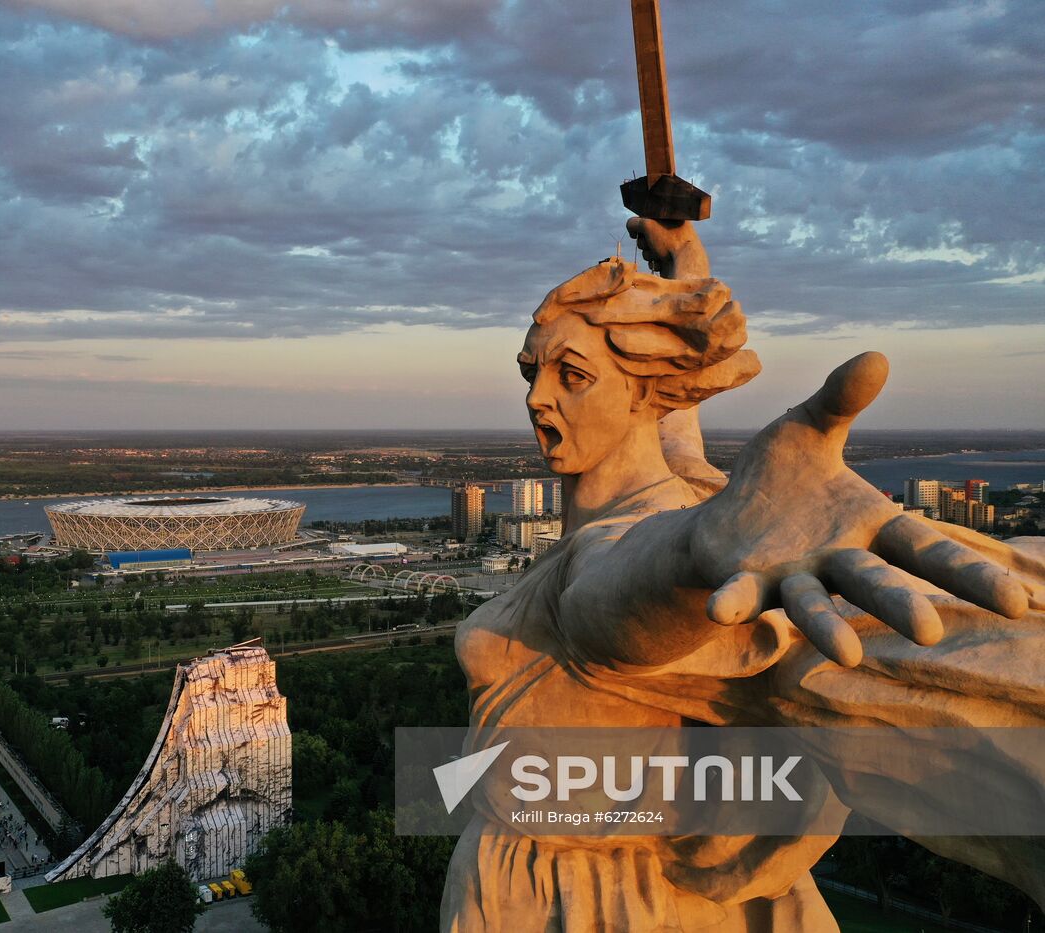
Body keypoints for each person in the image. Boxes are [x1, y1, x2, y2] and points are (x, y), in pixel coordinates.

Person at [441, 220, 1045, 932]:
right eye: (531, 371)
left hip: (579, 903)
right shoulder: (691, 481)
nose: (537, 397)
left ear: (641, 396)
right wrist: (685, 271)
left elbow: (611, 598)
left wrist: (697, 549)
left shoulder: (636, 542)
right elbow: (679, 428)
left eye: (570, 375)